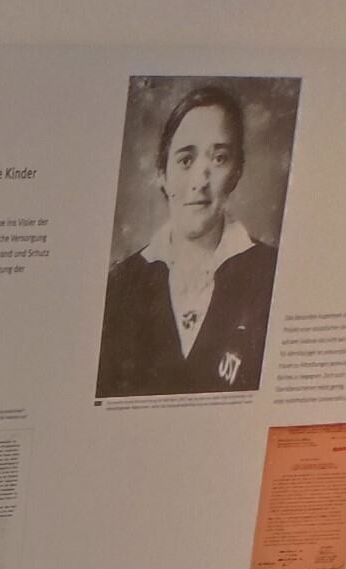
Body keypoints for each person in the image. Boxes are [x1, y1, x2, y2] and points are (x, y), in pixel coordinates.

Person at [97, 86, 278, 398]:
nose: (200, 181)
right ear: (162, 174)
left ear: (236, 172)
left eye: (219, 158)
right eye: (185, 160)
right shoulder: (120, 285)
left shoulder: (272, 274)